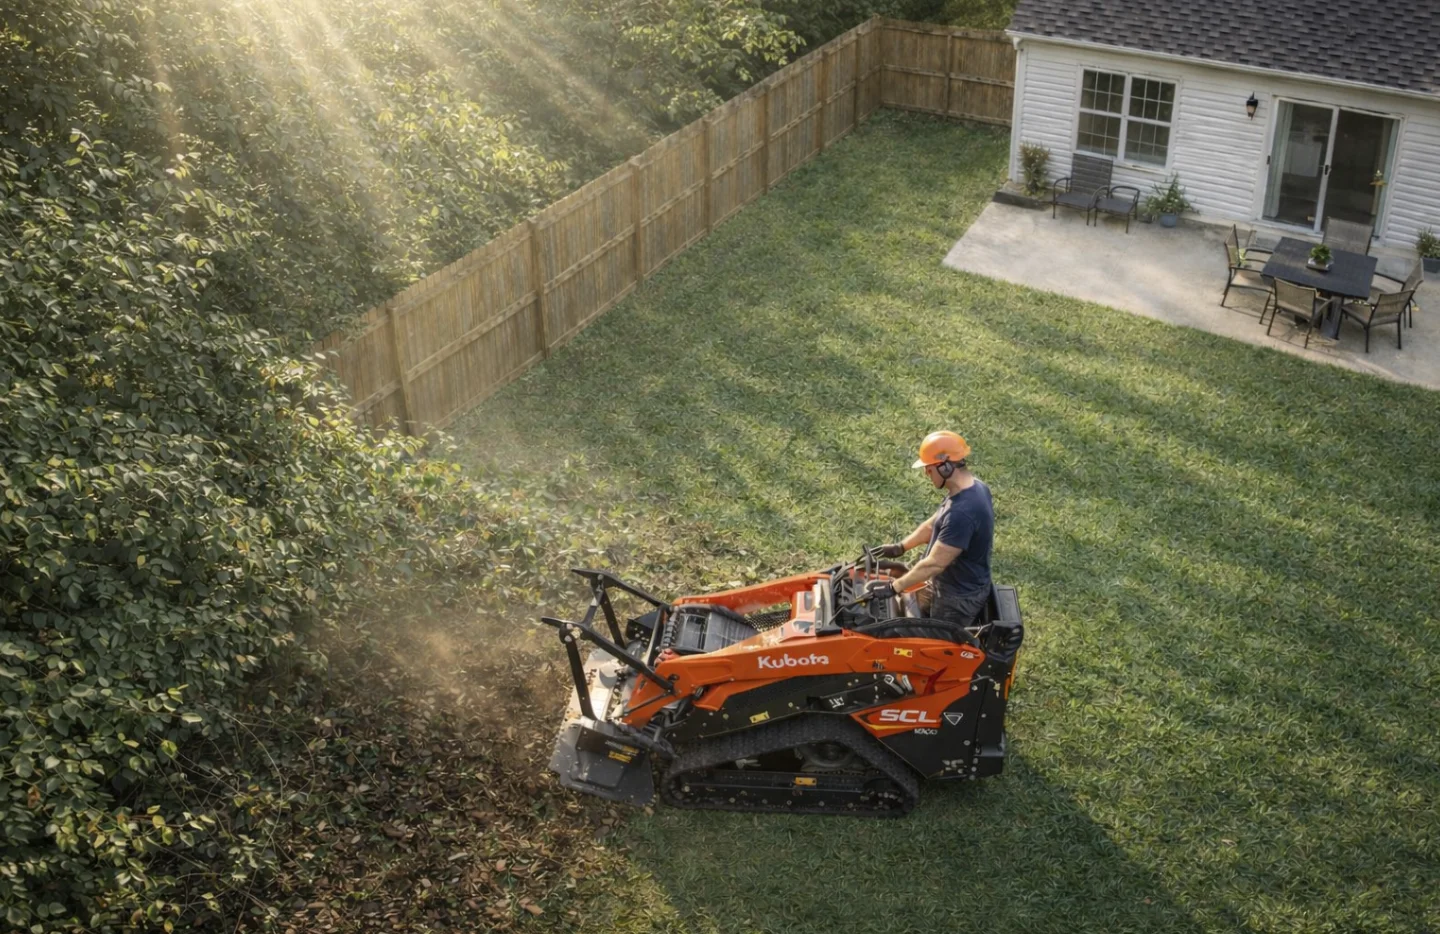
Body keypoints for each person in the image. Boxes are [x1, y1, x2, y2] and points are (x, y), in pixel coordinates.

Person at [865, 430, 994, 626]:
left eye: (929, 468)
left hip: (956, 596)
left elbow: (935, 563)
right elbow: (934, 523)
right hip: (945, 581)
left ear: (945, 467)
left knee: (934, 644)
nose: (926, 473)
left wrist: (893, 587)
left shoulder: (963, 513)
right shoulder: (973, 488)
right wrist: (900, 547)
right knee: (916, 613)